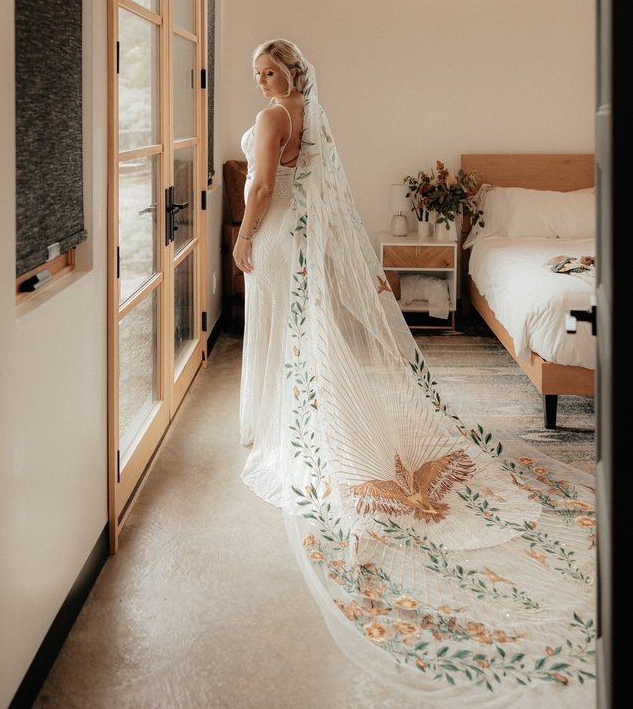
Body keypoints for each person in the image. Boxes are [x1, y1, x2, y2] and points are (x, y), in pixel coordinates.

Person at [235, 40, 596, 704]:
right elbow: (327, 192)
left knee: (290, 338)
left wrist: (239, 236)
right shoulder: (308, 112)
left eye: (270, 71)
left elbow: (259, 187)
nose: (262, 80)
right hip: (300, 238)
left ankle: (300, 430)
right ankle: (304, 420)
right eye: (257, 73)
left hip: (275, 235)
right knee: (305, 339)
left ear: (289, 71)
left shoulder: (271, 117)